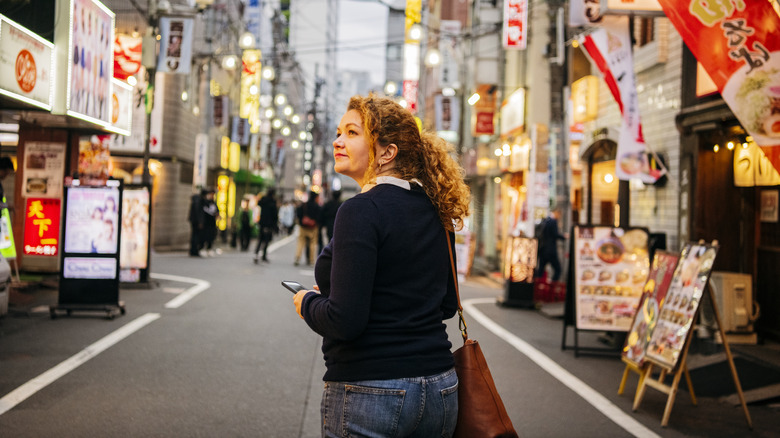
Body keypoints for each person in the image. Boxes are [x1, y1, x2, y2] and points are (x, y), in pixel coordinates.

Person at [291, 94, 470, 437]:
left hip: (370, 389)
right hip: (440, 387)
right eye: (339, 131)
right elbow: (447, 304)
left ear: (387, 153)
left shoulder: (360, 211)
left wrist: (307, 303)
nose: (338, 141)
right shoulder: (436, 209)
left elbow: (344, 321)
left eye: (353, 133)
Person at [535, 208, 567, 281]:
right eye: (559, 215)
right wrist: (564, 236)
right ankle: (552, 286)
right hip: (551, 250)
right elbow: (555, 234)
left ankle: (536, 287)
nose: (559, 217)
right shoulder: (553, 221)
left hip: (542, 249)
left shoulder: (546, 220)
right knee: (558, 269)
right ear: (557, 213)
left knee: (540, 270)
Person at [294, 190, 320, 266]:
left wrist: (301, 221)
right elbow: (319, 217)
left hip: (303, 227)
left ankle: (297, 258)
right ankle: (311, 260)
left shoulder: (304, 205)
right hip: (313, 227)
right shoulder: (317, 206)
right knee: (312, 244)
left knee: (301, 242)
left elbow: (298, 213)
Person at [254, 188, 278, 263]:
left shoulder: (264, 199)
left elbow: (258, 203)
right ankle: (264, 255)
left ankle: (256, 254)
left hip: (262, 223)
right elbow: (275, 215)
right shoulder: (273, 202)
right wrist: (275, 225)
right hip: (269, 224)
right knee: (267, 240)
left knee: (260, 239)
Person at [200, 188, 219, 256]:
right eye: (211, 194)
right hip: (206, 222)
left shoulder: (214, 203)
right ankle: (202, 248)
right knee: (204, 235)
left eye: (213, 194)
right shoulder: (205, 202)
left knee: (211, 236)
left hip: (212, 222)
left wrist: (217, 215)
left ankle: (209, 248)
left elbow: (217, 211)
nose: (212, 196)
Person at [187, 190, 204, 257]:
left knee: (194, 235)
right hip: (196, 222)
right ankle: (194, 250)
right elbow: (198, 212)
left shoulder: (195, 201)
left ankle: (193, 250)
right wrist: (200, 221)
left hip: (193, 221)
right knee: (196, 236)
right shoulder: (198, 201)